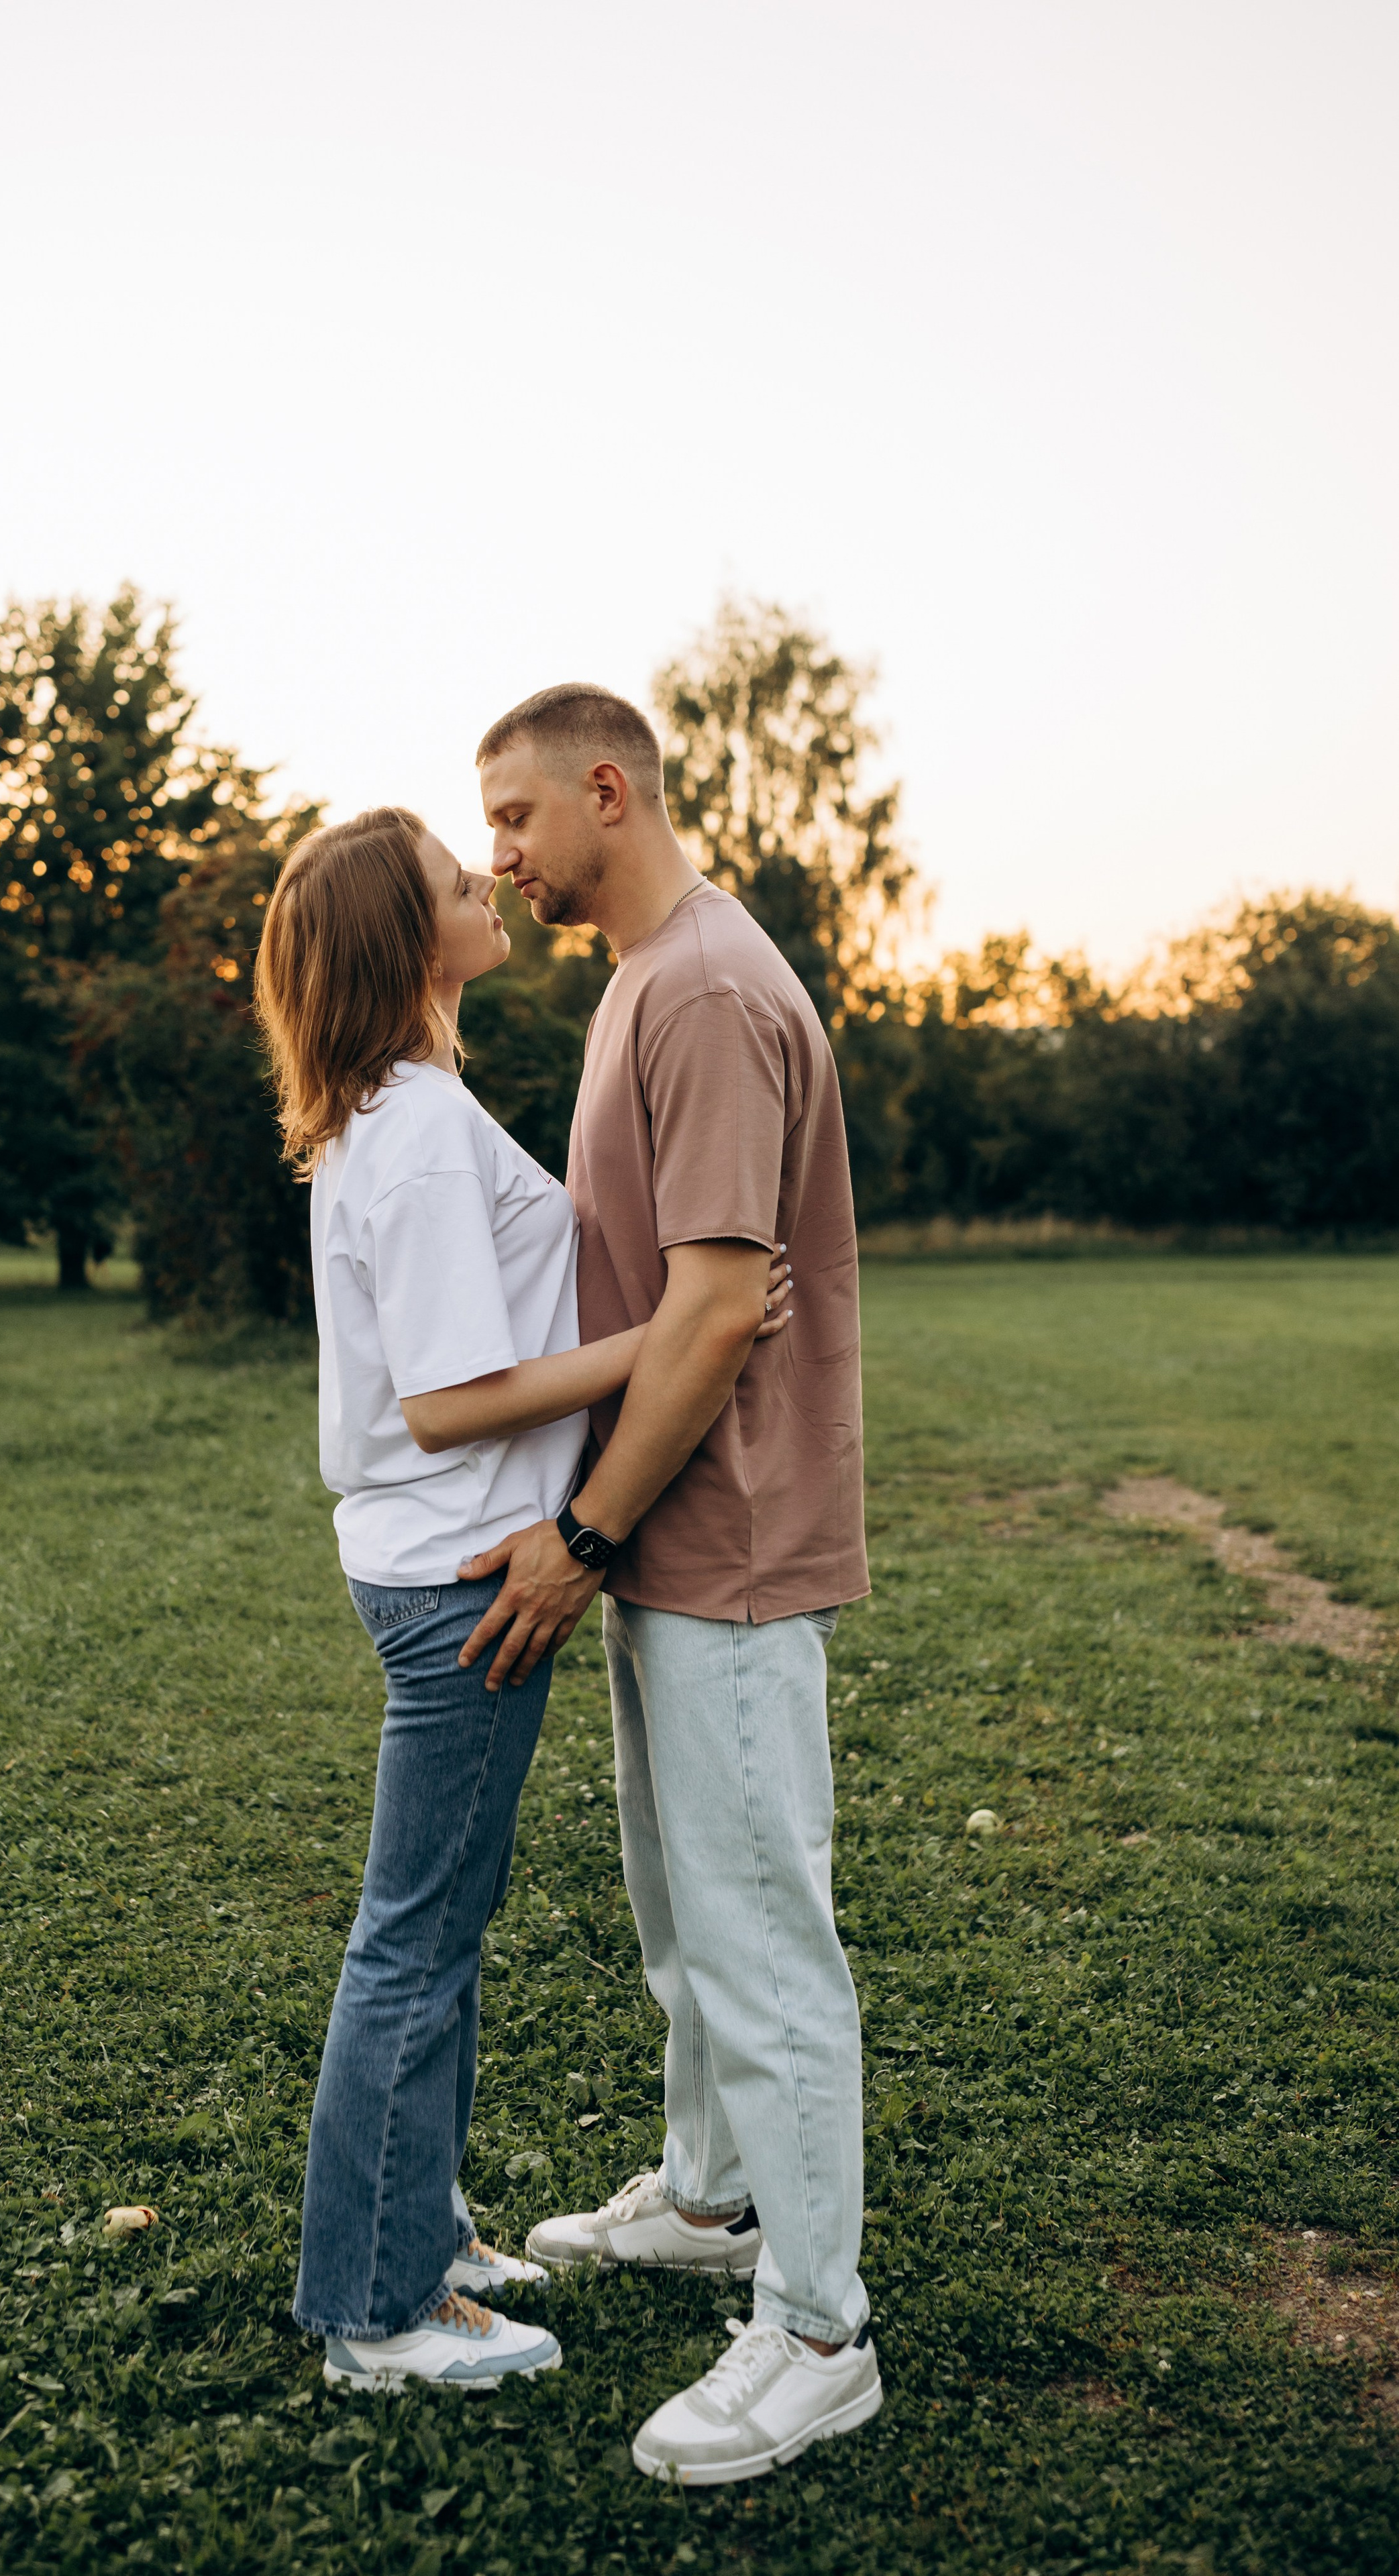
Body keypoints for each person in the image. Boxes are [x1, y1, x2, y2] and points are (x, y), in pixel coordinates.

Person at [254, 803, 793, 2394]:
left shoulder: (406, 1103)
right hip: (455, 1580)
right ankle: (377, 2309)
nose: (486, 878)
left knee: (440, 1928)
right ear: (404, 941)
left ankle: (413, 2224)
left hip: (432, 1565)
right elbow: (445, 1397)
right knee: (414, 1938)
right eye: (448, 878)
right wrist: (684, 1330)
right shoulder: (411, 1129)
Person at [458, 686, 883, 2484]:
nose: (499, 856)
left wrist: (583, 1537)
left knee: (763, 1938)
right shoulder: (651, 976)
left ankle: (815, 2329)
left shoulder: (704, 988)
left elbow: (715, 1307)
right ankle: (712, 2202)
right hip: (674, 1542)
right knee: (684, 1907)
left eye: (512, 819)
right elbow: (677, 1283)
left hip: (720, 1549)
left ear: (605, 793)